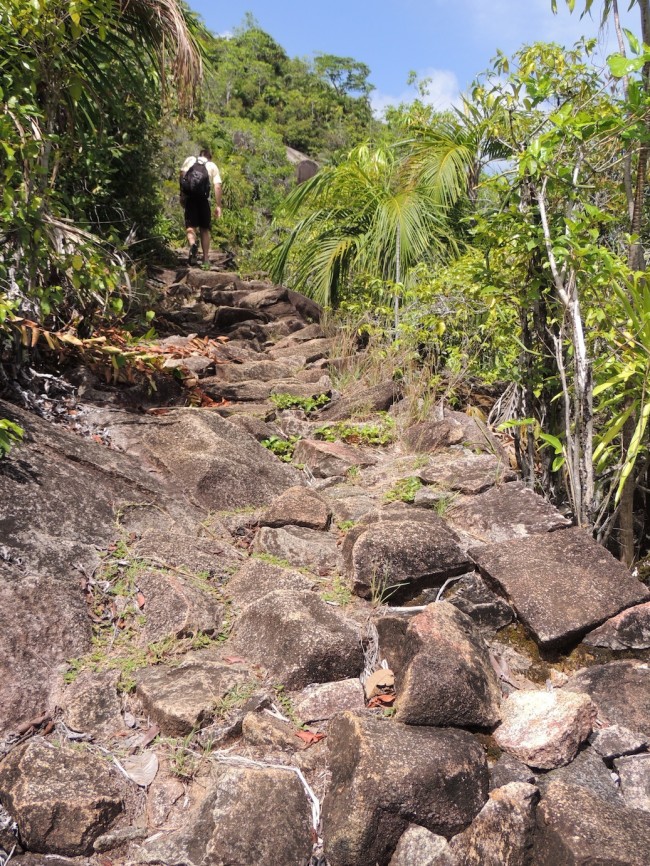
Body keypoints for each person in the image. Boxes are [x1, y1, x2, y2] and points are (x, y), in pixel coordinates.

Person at [179, 148, 223, 268]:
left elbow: (182, 177)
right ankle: (205, 259)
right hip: (204, 201)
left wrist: (182, 196)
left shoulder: (190, 160)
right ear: (210, 157)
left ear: (200, 155)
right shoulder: (212, 166)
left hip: (190, 199)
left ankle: (193, 244)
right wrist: (218, 205)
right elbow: (217, 186)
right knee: (204, 229)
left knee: (190, 227)